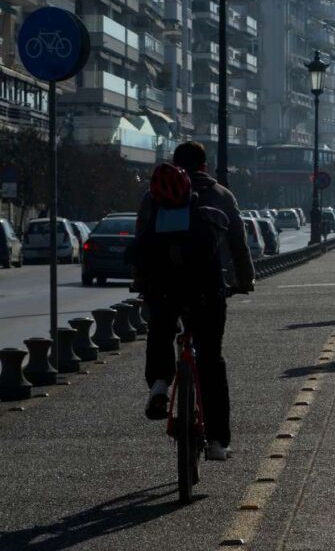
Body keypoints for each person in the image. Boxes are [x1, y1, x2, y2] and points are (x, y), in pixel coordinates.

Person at [136, 142, 254, 462]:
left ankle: (160, 383)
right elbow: (239, 246)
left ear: (176, 163)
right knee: (211, 360)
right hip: (206, 288)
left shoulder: (154, 195)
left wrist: (143, 284)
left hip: (164, 288)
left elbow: (141, 242)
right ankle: (217, 441)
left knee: (160, 330)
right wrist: (245, 281)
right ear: (205, 165)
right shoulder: (222, 196)